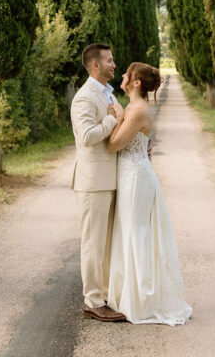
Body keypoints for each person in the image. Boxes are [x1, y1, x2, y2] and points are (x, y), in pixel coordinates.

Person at [106, 62, 192, 325]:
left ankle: (142, 299)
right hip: (132, 172)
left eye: (127, 75)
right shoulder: (135, 107)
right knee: (130, 231)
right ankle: (127, 294)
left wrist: (118, 118)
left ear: (136, 83)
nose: (122, 75)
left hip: (135, 177)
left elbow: (113, 145)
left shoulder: (137, 110)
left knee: (136, 233)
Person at [70, 42, 127, 321]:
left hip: (113, 178)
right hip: (93, 182)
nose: (114, 65)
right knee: (93, 243)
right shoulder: (83, 97)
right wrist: (111, 121)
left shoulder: (109, 93)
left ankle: (105, 294)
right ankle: (92, 301)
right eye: (109, 61)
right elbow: (87, 136)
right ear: (95, 65)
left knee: (107, 244)